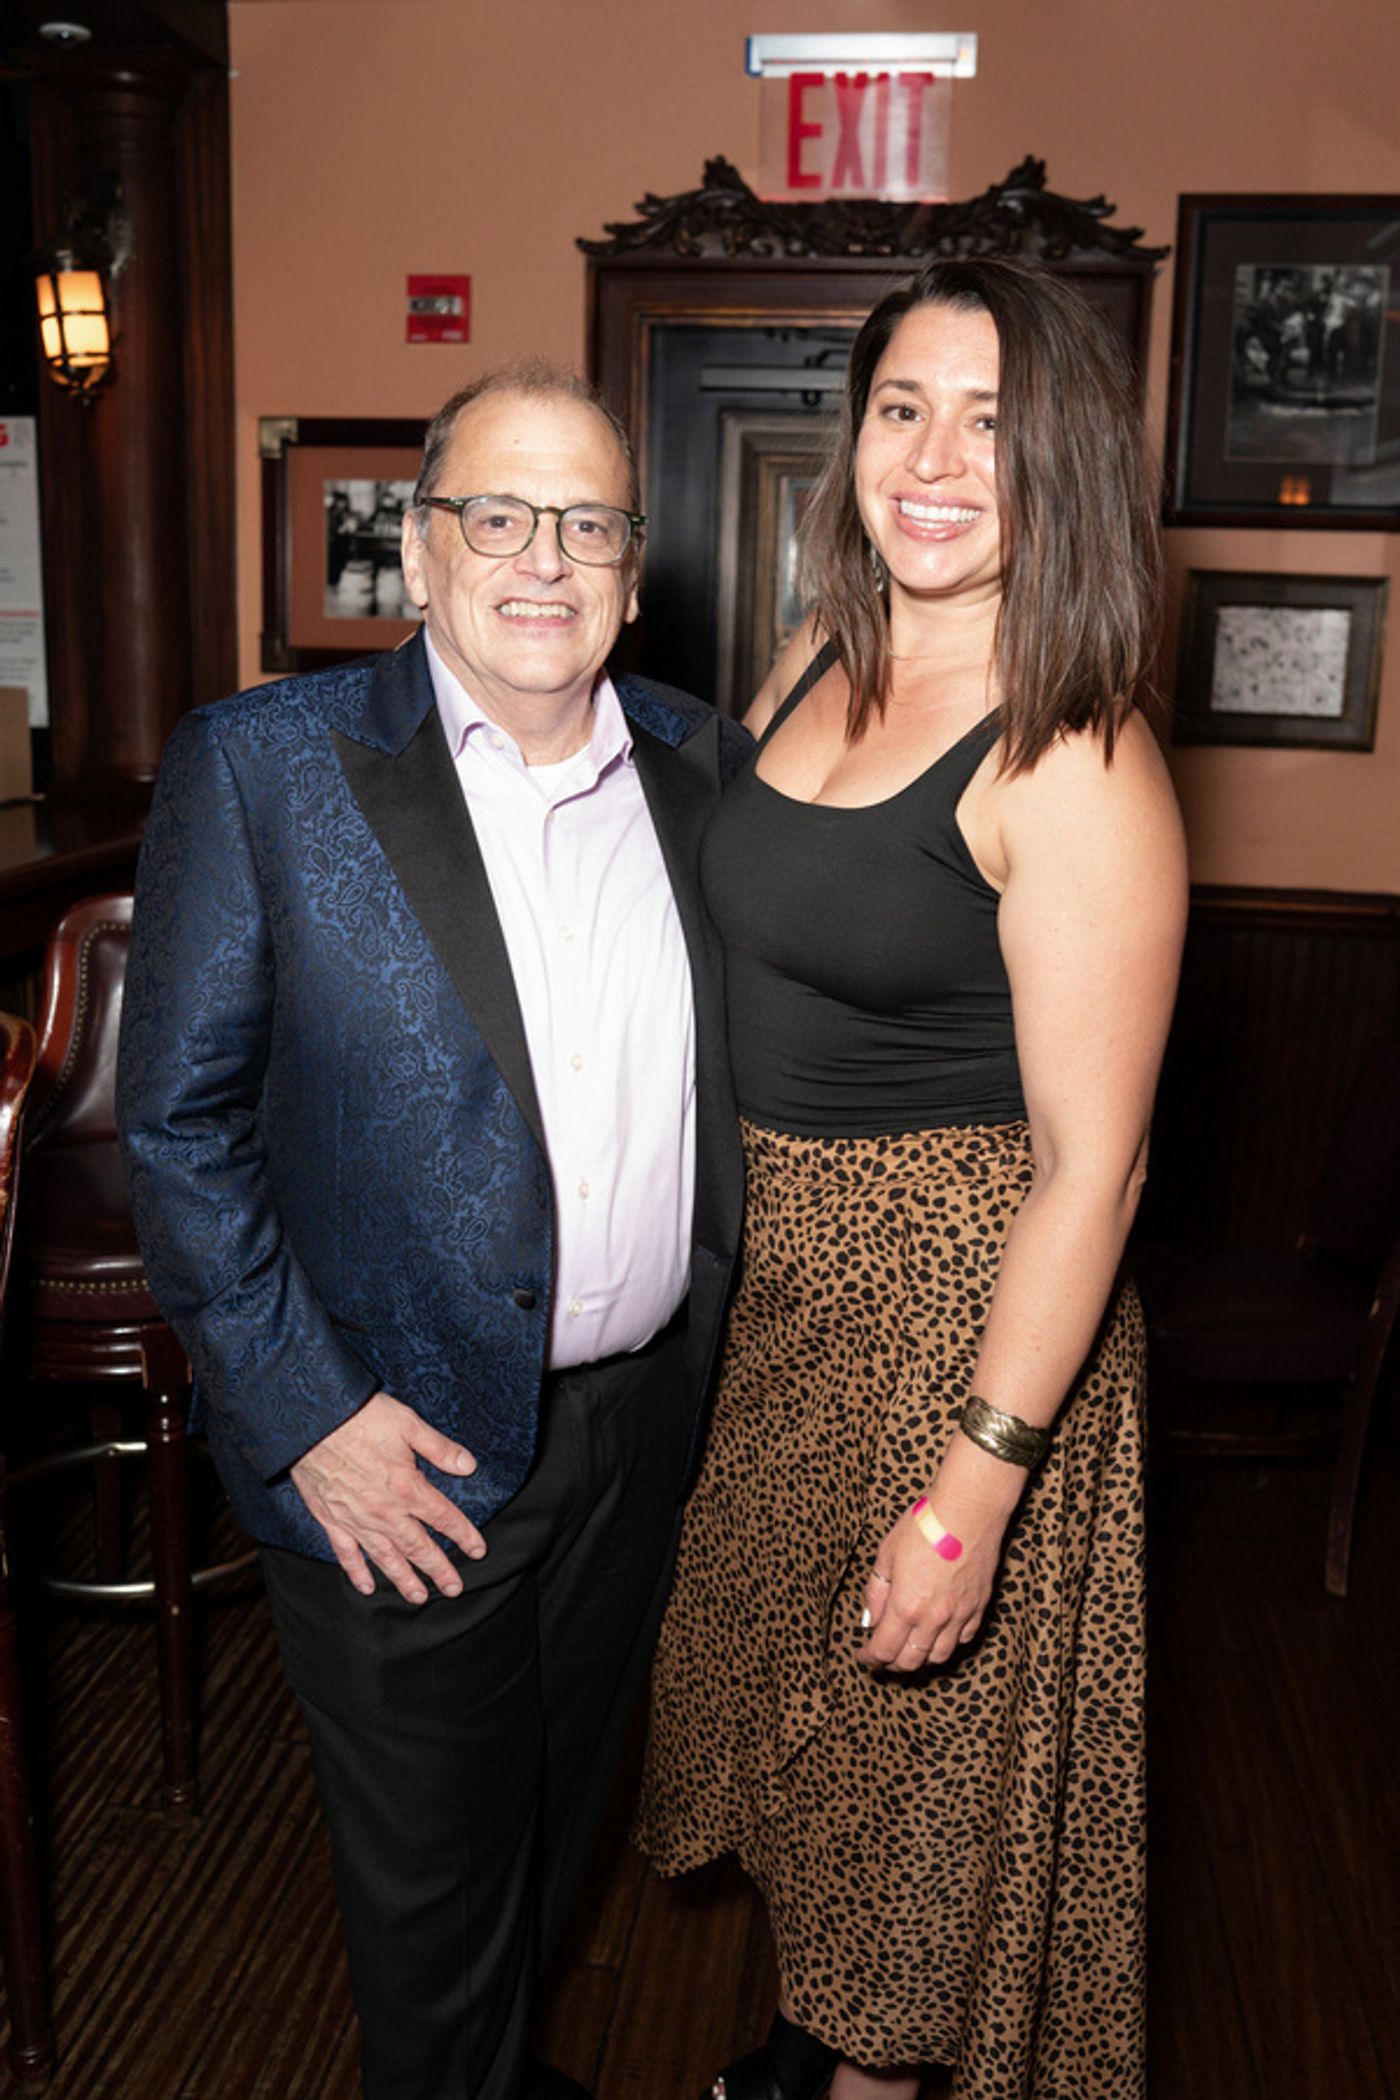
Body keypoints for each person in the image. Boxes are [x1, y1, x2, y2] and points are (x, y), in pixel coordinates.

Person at [117, 363, 750, 2100]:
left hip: (637, 1436)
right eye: (499, 512)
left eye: (589, 522)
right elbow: (178, 1129)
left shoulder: (710, 768)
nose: (544, 557)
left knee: (550, 1846)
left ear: (634, 563)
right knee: (430, 1911)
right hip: (395, 1447)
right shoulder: (264, 767)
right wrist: (304, 1413)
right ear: (421, 541)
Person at [635, 258, 1188, 2100]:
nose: (937, 460)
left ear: (1068, 467)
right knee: (818, 1762)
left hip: (967, 1341)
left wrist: (979, 1489)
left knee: (914, 1820)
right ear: (851, 435)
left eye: (993, 422)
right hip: (789, 1309)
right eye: (902, 408)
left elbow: (1092, 1176)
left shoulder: (1076, 750)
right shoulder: (818, 656)